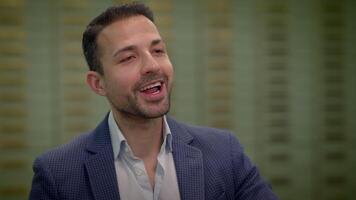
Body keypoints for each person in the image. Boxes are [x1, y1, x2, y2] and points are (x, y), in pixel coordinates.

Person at [29, 2, 278, 200]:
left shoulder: (225, 153)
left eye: (158, 51)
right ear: (98, 83)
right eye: (128, 58)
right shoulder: (57, 174)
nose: (152, 65)